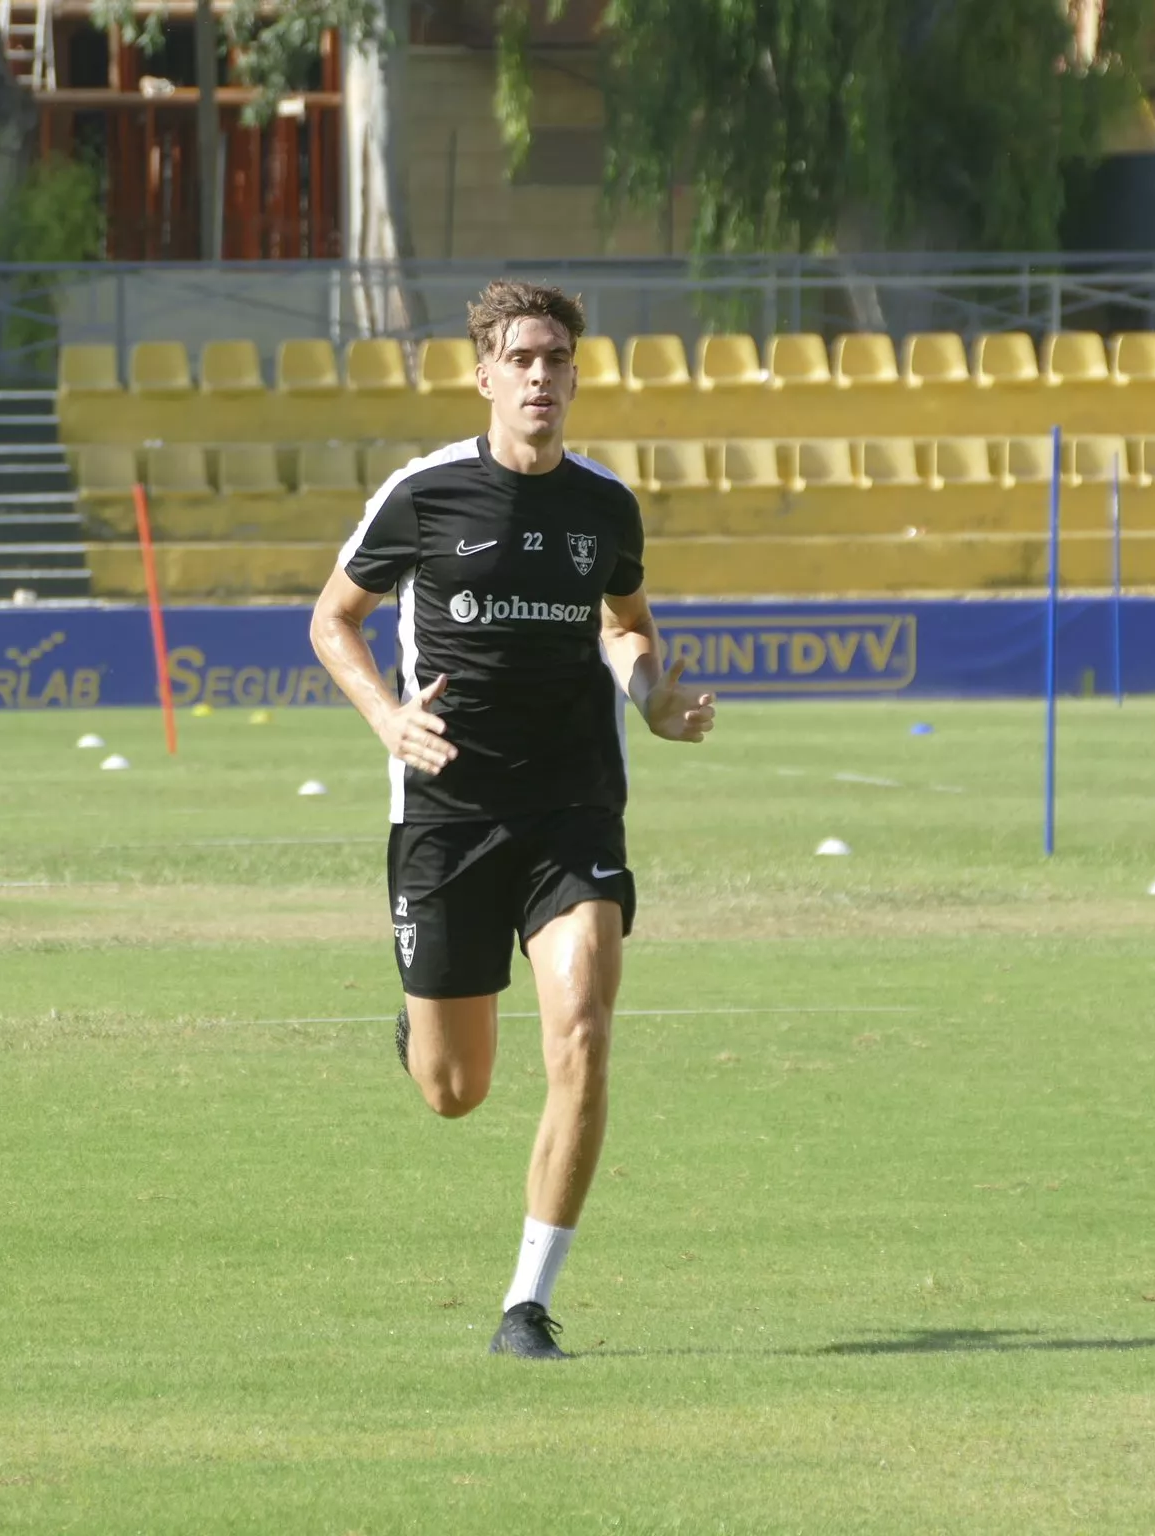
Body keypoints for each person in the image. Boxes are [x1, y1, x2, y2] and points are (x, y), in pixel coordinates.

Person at [309, 280, 717, 1359]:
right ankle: (421, 1027)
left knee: (580, 1032)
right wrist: (386, 718)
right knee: (455, 1090)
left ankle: (525, 1305)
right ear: (484, 373)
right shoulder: (423, 494)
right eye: (521, 359)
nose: (540, 377)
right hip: (445, 815)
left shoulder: (603, 507)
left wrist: (653, 697)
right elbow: (332, 620)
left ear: (574, 376)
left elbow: (625, 625)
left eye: (557, 360)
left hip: (571, 808)